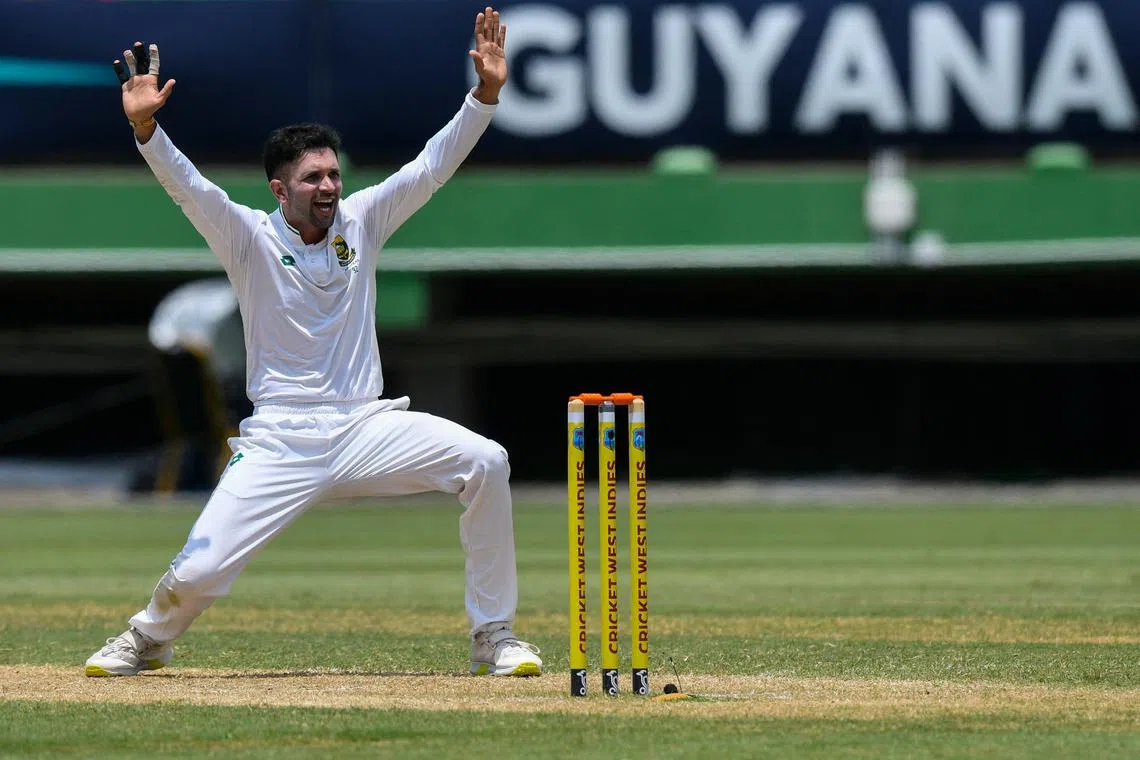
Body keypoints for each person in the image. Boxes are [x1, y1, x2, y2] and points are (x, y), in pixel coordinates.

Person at [86, 7, 542, 679]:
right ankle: (147, 639)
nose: (329, 187)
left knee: (487, 462)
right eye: (313, 179)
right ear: (280, 189)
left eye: (333, 175)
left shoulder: (363, 220)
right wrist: (147, 129)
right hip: (281, 441)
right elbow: (189, 190)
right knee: (203, 570)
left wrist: (485, 96)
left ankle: (494, 636)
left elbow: (432, 167)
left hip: (366, 426)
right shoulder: (247, 237)